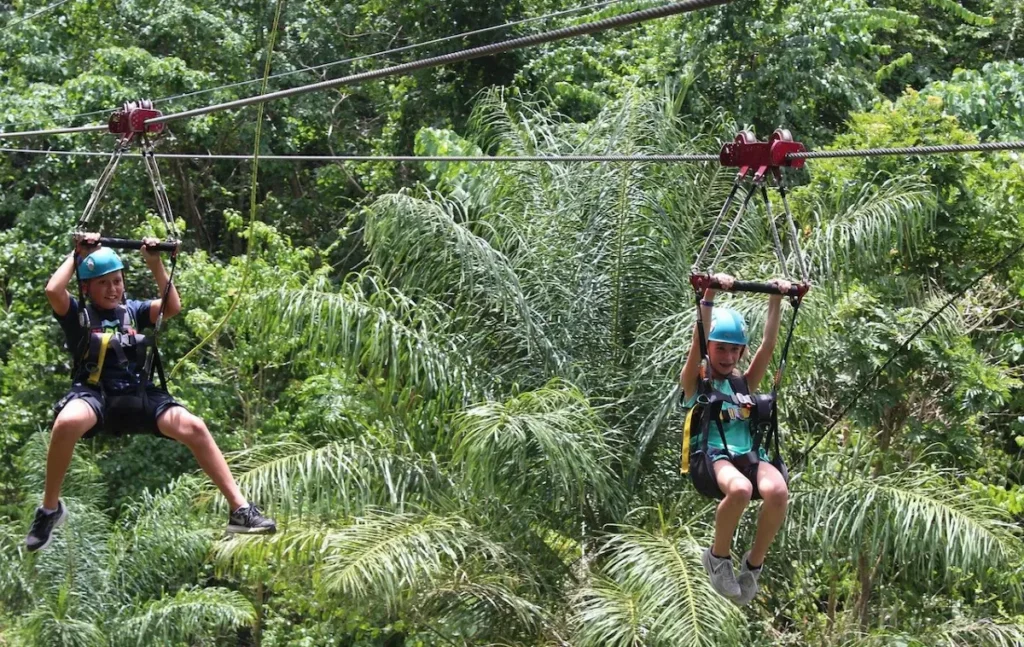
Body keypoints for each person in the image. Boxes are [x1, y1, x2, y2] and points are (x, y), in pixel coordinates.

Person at [26, 234, 276, 552]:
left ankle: (240, 510)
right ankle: (50, 509)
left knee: (195, 427)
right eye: (103, 284)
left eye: (117, 281)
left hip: (140, 395)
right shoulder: (79, 315)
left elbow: (172, 306)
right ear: (87, 288)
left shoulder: (135, 311)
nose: (113, 289)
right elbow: (52, 290)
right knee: (65, 423)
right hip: (96, 395)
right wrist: (78, 254)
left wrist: (155, 263)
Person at [679, 273, 790, 605]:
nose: (727, 357)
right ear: (709, 348)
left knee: (779, 491)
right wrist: (709, 292)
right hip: (713, 458)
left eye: (734, 350)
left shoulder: (744, 384)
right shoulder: (695, 384)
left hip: (748, 457)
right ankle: (718, 558)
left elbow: (769, 346)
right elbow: (696, 345)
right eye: (720, 349)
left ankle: (752, 566)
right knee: (740, 489)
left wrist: (776, 299)